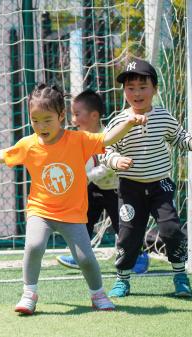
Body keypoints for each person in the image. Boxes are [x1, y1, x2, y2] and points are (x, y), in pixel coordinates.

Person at [0, 83, 146, 315]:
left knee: (85, 258)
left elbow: (105, 139)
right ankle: (29, 293)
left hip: (72, 214)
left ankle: (98, 294)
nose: (41, 126)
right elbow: (6, 154)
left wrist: (128, 122)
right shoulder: (29, 145)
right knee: (33, 245)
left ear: (61, 116)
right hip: (40, 211)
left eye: (47, 119)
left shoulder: (78, 140)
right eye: (35, 120)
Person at [104, 58, 192, 298]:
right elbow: (105, 149)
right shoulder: (118, 121)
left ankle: (180, 275)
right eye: (130, 88)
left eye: (143, 87)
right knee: (128, 235)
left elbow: (179, 137)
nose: (137, 93)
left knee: (170, 230)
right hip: (129, 189)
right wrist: (116, 160)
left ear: (155, 89)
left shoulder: (163, 117)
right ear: (124, 91)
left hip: (161, 186)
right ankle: (122, 279)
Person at [56, 90, 149, 274]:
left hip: (118, 189)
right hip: (96, 188)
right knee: (83, 220)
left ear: (94, 115)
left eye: (76, 114)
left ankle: (139, 257)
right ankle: (80, 256)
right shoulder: (79, 139)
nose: (73, 120)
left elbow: (108, 165)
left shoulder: (108, 135)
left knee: (123, 225)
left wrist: (87, 177)